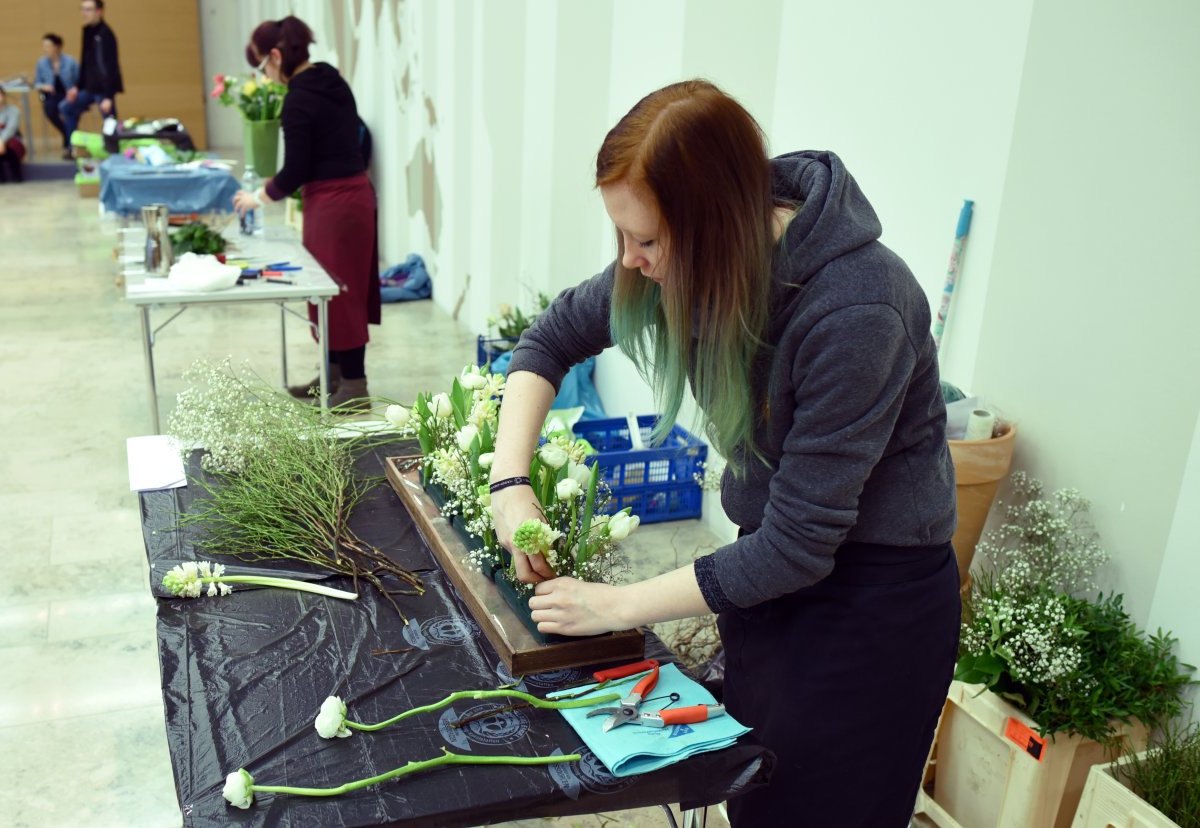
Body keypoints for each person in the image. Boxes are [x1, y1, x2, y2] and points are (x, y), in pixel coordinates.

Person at [489, 80, 960, 826]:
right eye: (621, 237)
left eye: (646, 241)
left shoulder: (860, 308)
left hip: (872, 608)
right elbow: (548, 340)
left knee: (820, 808)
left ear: (716, 225)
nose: (631, 261)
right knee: (755, 794)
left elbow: (799, 546)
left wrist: (616, 606)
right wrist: (510, 484)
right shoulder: (683, 262)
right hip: (771, 575)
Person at [233, 16, 380, 410]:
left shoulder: (298, 99)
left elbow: (295, 170)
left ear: (277, 56)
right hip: (353, 198)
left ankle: (354, 385)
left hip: (335, 206)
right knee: (329, 292)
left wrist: (257, 198)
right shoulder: (330, 78)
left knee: (339, 294)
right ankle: (332, 375)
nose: (264, 75)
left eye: (263, 66)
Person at [59, 0, 124, 143]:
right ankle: (74, 146)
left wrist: (108, 95)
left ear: (99, 11)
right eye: (82, 9)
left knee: (110, 122)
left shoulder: (106, 34)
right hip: (88, 88)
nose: (84, 13)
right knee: (66, 107)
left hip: (103, 90)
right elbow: (85, 63)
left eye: (88, 9)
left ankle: (114, 149)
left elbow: (111, 67)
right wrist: (77, 87)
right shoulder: (87, 31)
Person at [34, 33, 80, 159]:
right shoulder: (41, 63)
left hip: (69, 95)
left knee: (69, 110)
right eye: (44, 46)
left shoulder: (71, 62)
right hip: (52, 95)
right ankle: (67, 136)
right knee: (50, 109)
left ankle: (70, 147)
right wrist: (44, 86)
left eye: (48, 46)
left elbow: (80, 81)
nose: (45, 49)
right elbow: (36, 83)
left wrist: (74, 90)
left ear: (57, 46)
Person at [0, 88, 27, 184]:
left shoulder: (13, 110)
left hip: (11, 141)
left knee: (11, 147)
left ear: (3, 95)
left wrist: (2, 141)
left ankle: (17, 176)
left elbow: (11, 128)